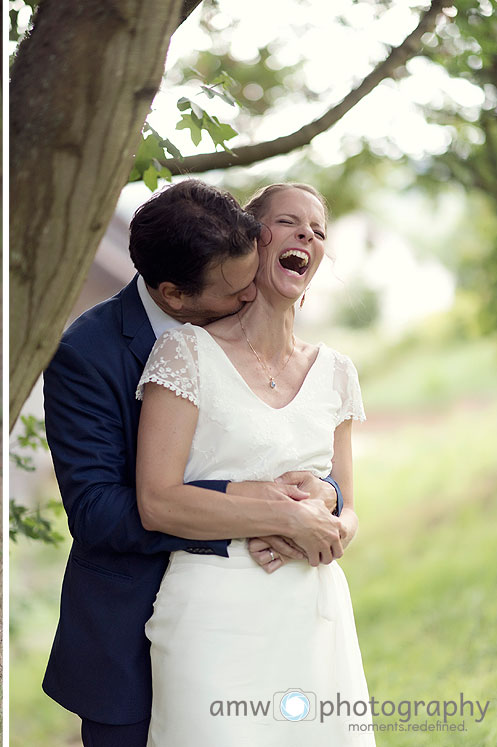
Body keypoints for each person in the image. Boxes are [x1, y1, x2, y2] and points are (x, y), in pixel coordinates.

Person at [41, 179, 345, 746]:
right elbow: (98, 511)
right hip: (127, 634)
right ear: (174, 295)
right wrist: (252, 507)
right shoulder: (87, 355)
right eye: (235, 292)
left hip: (257, 624)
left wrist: (324, 495)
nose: (250, 296)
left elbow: (277, 440)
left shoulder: (256, 338)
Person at [136, 183, 373, 744]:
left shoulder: (337, 371)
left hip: (313, 611)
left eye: (317, 231)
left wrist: (332, 526)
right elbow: (157, 500)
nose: (306, 237)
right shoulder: (186, 353)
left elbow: (349, 507)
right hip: (213, 613)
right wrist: (287, 517)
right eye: (289, 223)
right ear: (251, 239)